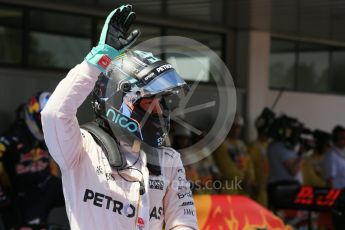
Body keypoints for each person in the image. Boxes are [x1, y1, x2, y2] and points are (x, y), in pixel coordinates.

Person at [41, 5, 198, 230]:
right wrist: (98, 61)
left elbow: (184, 223)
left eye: (161, 102)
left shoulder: (168, 160)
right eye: (149, 102)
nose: (160, 111)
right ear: (118, 101)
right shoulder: (80, 149)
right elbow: (54, 113)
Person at [0, 92, 64, 228]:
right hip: (24, 194)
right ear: (32, 113)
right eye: (43, 118)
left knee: (84, 193)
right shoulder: (12, 137)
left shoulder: (52, 137)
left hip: (47, 186)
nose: (46, 123)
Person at [213, 115, 255, 195]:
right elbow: (226, 167)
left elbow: (249, 163)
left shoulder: (242, 145)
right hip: (229, 186)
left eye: (238, 127)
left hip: (244, 188)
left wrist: (250, 178)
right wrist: (243, 179)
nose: (236, 130)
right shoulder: (221, 145)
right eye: (233, 126)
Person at [324, 126, 345, 230]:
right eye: (342, 138)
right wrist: (334, 200)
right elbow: (329, 179)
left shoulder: (342, 153)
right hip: (339, 197)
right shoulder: (331, 154)